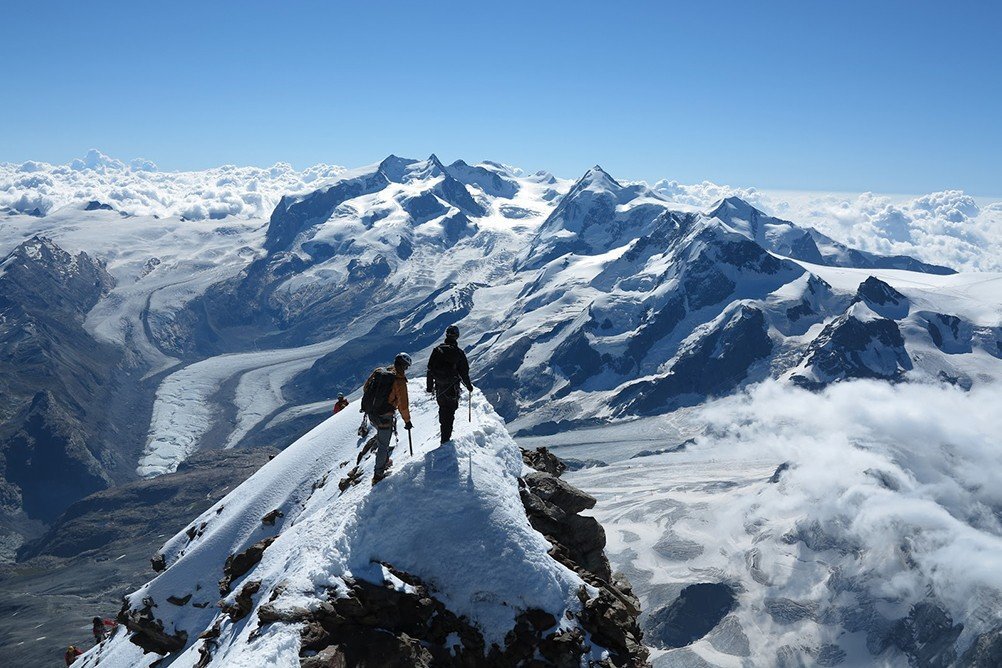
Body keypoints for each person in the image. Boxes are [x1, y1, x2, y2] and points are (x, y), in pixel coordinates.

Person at [361, 353, 412, 485]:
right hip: (385, 416)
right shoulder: (399, 381)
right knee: (383, 445)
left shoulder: (379, 372)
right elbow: (403, 405)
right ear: (404, 366)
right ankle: (378, 475)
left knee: (381, 439)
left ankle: (385, 461)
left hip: (372, 414)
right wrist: (407, 421)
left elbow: (365, 388)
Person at [427, 325, 473, 444]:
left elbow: (430, 369)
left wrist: (429, 387)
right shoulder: (458, 353)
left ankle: (444, 434)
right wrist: (468, 386)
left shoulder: (437, 350)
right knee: (450, 411)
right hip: (452, 388)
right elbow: (464, 372)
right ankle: (446, 439)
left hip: (440, 387)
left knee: (443, 409)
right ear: (457, 336)